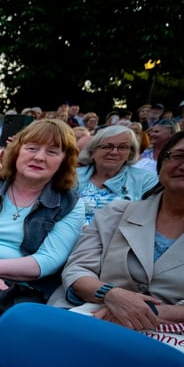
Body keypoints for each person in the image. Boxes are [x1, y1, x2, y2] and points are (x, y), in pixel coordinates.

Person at [49, 131, 184, 332]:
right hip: (93, 312)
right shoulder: (117, 212)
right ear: (162, 162)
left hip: (167, 332)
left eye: (123, 147)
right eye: (179, 156)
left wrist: (143, 311)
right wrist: (112, 295)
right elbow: (78, 269)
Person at [0, 119, 84, 317]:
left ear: (64, 161)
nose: (40, 157)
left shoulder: (70, 203)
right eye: (32, 148)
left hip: (22, 287)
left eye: (52, 152)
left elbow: (48, 260)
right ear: (17, 151)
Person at [76, 126, 158, 225]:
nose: (114, 152)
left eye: (122, 147)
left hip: (118, 238)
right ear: (92, 151)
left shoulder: (146, 180)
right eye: (107, 146)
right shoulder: (72, 175)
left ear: (130, 153)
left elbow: (147, 220)